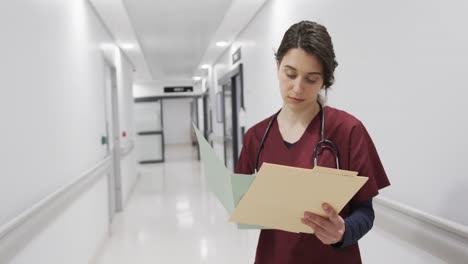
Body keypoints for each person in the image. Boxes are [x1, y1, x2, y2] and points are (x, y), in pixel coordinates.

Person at [235, 21, 391, 264]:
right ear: (277, 66)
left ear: (325, 81)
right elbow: (241, 201)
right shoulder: (257, 136)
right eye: (290, 73)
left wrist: (343, 231)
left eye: (311, 79)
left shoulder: (349, 131)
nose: (297, 87)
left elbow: (365, 211)